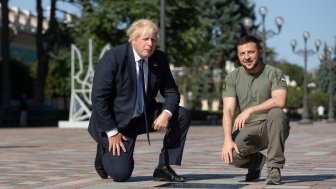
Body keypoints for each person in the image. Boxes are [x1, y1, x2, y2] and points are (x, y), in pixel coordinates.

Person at [88, 19, 191, 182]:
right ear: (133, 40)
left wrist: (165, 113)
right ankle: (103, 150)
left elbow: (171, 92)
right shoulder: (113, 58)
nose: (150, 44)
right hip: (116, 123)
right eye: (145, 39)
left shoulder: (159, 59)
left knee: (181, 114)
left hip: (143, 116)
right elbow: (99, 99)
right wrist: (112, 132)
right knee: (121, 174)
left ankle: (163, 167)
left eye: (153, 39)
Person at [221, 35, 290, 185]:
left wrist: (250, 110)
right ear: (238, 55)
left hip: (272, 125)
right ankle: (256, 162)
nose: (247, 57)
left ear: (260, 52)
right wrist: (227, 140)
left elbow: (280, 101)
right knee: (232, 154)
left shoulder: (274, 73)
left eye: (250, 52)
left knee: (277, 112)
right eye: (242, 54)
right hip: (249, 128)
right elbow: (228, 111)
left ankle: (274, 169)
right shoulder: (232, 77)